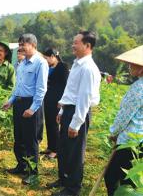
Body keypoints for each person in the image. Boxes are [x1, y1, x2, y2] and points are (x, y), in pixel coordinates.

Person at [49, 31, 101, 196]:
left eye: (76, 42)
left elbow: (84, 98)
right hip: (69, 109)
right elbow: (71, 91)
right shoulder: (77, 64)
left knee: (75, 152)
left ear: (87, 46)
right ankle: (63, 180)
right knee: (64, 148)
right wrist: (63, 110)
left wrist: (76, 123)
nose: (73, 45)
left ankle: (73, 189)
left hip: (79, 111)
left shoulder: (88, 68)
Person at [2, 33, 48, 185]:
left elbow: (41, 89)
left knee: (31, 140)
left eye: (24, 44)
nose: (20, 47)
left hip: (32, 104)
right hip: (19, 103)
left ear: (33, 45)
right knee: (19, 137)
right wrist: (11, 101)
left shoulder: (40, 63)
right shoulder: (22, 64)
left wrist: (33, 108)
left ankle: (33, 172)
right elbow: (18, 86)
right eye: (19, 44)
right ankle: (21, 166)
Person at [104, 45, 143, 196]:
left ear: (140, 68)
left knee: (113, 177)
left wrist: (113, 132)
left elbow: (124, 116)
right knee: (132, 180)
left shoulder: (138, 88)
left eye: (131, 63)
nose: (128, 66)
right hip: (140, 140)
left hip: (129, 141)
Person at [42, 48, 69, 159]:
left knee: (54, 124)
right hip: (48, 99)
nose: (46, 60)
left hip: (57, 100)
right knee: (48, 123)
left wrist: (63, 101)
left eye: (47, 58)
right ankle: (50, 146)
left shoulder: (63, 67)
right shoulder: (48, 67)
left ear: (53, 56)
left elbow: (66, 85)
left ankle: (56, 150)